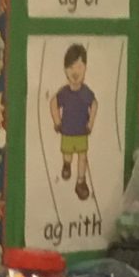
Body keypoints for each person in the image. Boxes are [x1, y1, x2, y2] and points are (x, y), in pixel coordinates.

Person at [51, 42, 96, 201]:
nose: (75, 72)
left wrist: (90, 123)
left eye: (79, 67)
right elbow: (54, 102)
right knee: (68, 155)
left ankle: (81, 182)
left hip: (82, 132)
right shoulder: (64, 93)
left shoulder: (86, 92)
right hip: (67, 132)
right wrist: (57, 121)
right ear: (65, 70)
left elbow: (94, 104)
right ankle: (66, 164)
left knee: (82, 157)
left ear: (85, 68)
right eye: (71, 67)